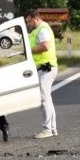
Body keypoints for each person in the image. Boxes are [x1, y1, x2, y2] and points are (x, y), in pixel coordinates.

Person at [24, 9, 58, 138]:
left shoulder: (42, 29)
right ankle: (52, 129)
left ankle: (47, 129)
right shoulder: (37, 30)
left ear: (35, 18)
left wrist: (29, 50)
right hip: (44, 68)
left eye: (29, 21)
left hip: (46, 68)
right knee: (47, 99)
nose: (28, 24)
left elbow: (46, 46)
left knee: (44, 100)